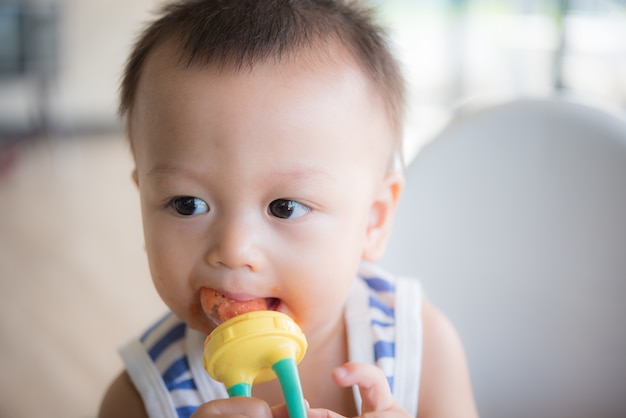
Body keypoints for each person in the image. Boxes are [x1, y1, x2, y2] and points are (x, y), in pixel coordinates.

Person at [99, 1, 478, 417]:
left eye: (285, 207)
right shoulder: (141, 397)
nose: (235, 248)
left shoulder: (420, 349)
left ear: (373, 220)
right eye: (188, 204)